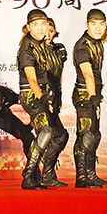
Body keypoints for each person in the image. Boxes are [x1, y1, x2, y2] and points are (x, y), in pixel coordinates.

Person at [72, 8, 107, 188]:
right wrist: (93, 96)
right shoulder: (82, 47)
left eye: (101, 24)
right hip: (85, 95)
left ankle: (91, 174)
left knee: (95, 135)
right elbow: (88, 74)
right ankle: (81, 177)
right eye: (93, 24)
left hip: (93, 94)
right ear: (87, 25)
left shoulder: (97, 42)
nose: (98, 28)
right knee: (86, 135)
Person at [17, 9, 57, 190]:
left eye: (43, 24)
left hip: (44, 94)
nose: (40, 28)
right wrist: (42, 98)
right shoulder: (28, 48)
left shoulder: (42, 44)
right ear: (28, 27)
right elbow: (32, 79)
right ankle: (28, 175)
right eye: (35, 25)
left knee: (57, 134)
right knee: (46, 132)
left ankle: (42, 175)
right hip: (32, 95)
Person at [40, 18, 69, 187]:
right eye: (45, 30)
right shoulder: (35, 50)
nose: (48, 34)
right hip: (42, 96)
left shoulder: (60, 49)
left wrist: (58, 95)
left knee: (57, 135)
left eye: (51, 31)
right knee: (57, 134)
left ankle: (47, 173)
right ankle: (45, 173)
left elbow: (60, 74)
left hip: (55, 94)